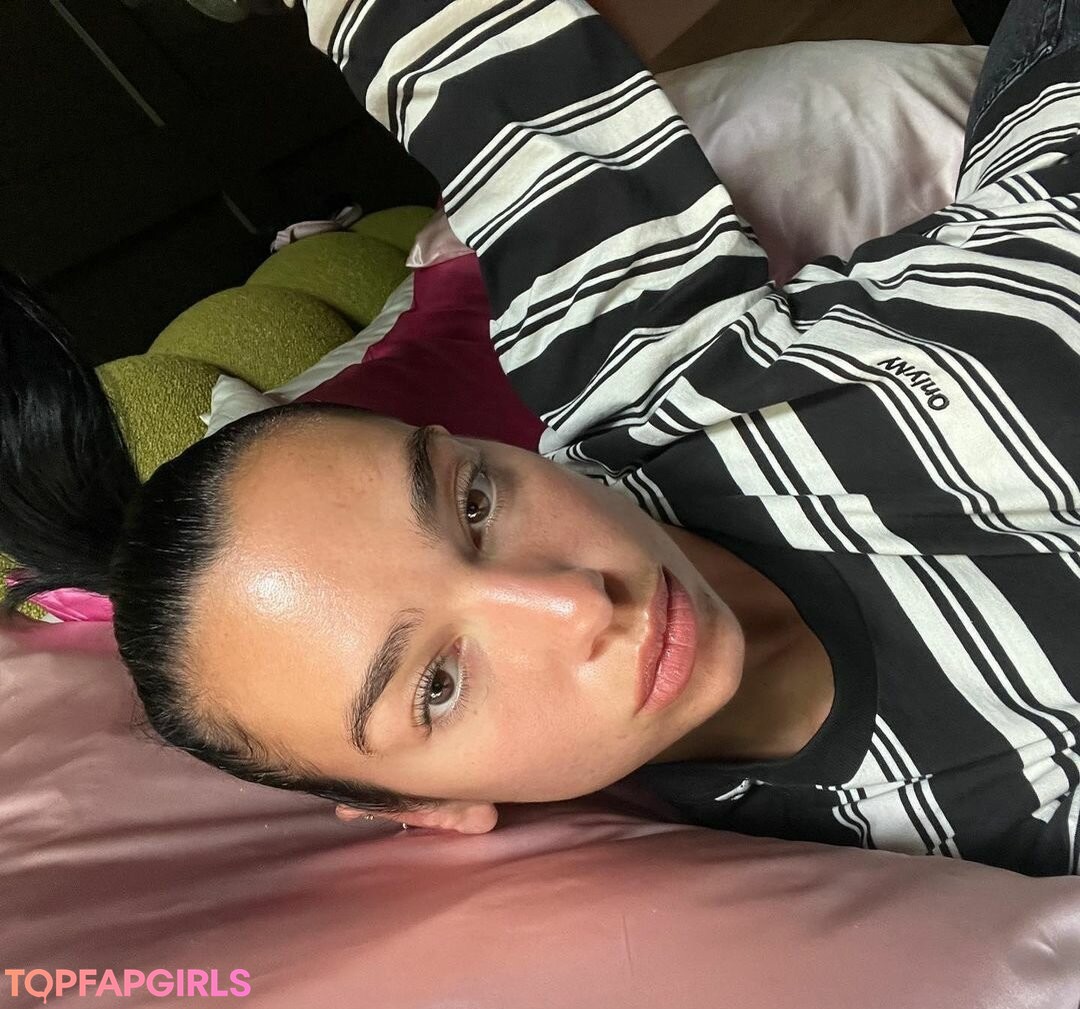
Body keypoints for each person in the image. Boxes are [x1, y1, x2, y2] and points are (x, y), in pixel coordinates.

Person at [2, 0, 1079, 877]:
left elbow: (458, 58)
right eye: (436, 683)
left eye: (474, 503)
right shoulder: (953, 836)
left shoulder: (633, 379)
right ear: (426, 807)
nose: (575, 603)